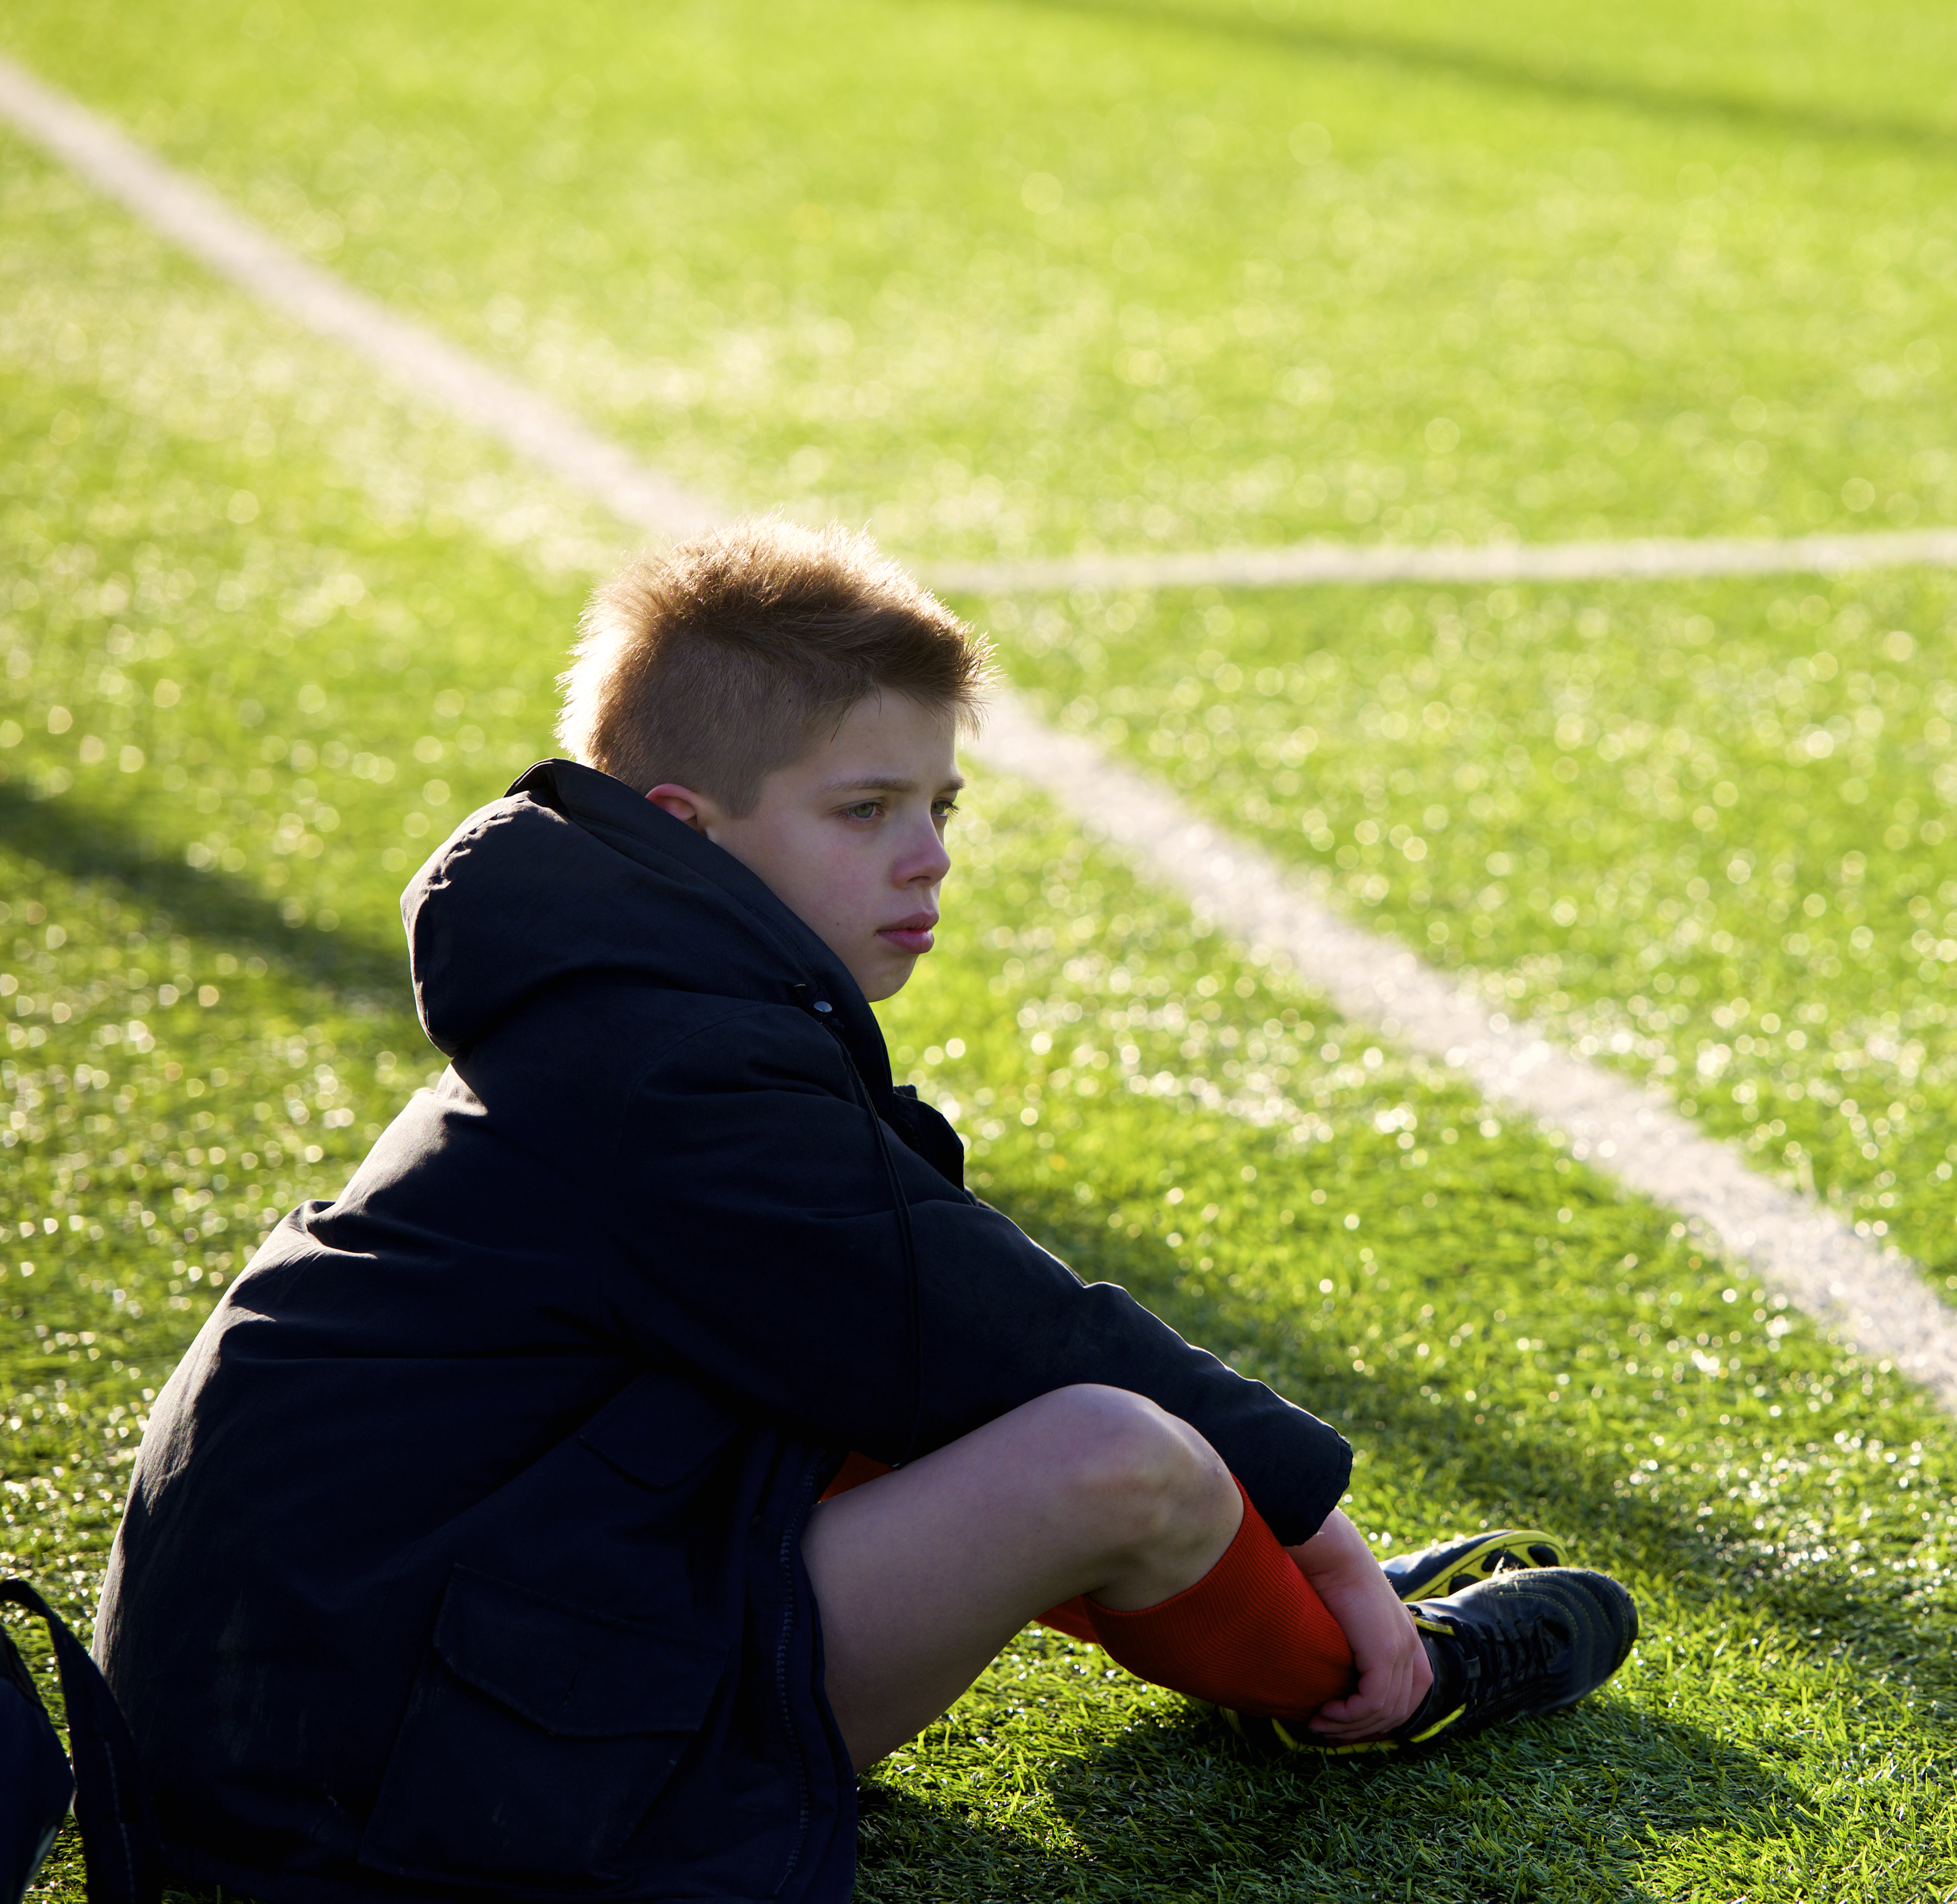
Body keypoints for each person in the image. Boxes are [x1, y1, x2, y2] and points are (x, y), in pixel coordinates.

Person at [92, 519, 1637, 1904]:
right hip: (389, 1790)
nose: (930, 856)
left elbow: (907, 1329)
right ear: (688, 828)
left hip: (340, 1705)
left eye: (940, 803)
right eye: (864, 810)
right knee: (1110, 1453)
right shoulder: (667, 1075)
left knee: (928, 1405)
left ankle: (1267, 1612)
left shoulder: (619, 1009)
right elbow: (1004, 1334)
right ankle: (1380, 1677)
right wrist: (1325, 1535)